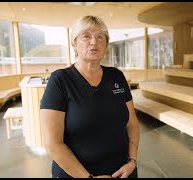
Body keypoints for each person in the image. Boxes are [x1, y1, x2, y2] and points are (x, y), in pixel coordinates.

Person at [40, 15, 140, 178]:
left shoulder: (116, 76)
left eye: (100, 37)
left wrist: (132, 161)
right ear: (74, 43)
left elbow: (132, 123)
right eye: (86, 36)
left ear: (106, 45)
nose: (94, 42)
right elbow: (53, 143)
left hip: (123, 172)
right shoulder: (60, 80)